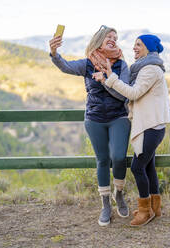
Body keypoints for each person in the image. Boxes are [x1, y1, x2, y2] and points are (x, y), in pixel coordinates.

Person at [49, 25, 131, 226]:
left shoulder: (122, 66)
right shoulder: (87, 64)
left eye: (116, 36)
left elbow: (123, 95)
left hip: (118, 117)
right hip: (94, 119)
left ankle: (118, 194)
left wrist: (105, 80)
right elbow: (66, 66)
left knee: (119, 157)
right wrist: (53, 52)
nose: (113, 39)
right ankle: (105, 204)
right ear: (100, 40)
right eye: (109, 36)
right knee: (103, 160)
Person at [93, 34, 170, 227]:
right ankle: (155, 207)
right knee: (148, 166)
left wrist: (111, 77)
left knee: (137, 167)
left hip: (150, 127)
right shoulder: (148, 68)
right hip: (152, 125)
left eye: (139, 45)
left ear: (149, 48)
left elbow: (134, 93)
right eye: (134, 45)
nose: (134, 48)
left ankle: (145, 211)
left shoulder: (150, 69)